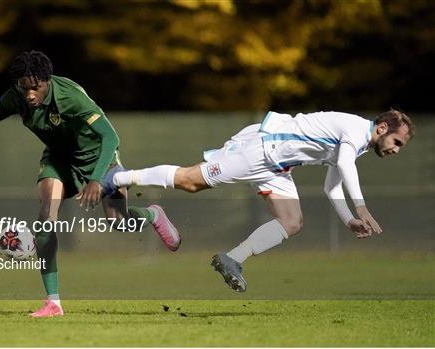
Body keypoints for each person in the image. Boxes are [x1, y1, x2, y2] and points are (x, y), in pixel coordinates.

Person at [0, 50, 181, 317]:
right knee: (46, 217)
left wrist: (94, 180)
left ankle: (152, 215)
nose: (30, 94)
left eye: (36, 88)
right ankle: (53, 302)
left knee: (119, 221)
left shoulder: (70, 96)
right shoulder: (17, 96)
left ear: (48, 81)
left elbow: (110, 138)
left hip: (100, 161)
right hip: (58, 160)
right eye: (24, 89)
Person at [105, 110, 415, 292]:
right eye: (397, 142)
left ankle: (233, 258)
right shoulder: (355, 130)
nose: (396, 150)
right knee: (189, 181)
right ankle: (118, 178)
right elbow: (345, 167)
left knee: (292, 222)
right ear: (382, 128)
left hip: (278, 166)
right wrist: (360, 205)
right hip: (262, 148)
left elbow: (332, 185)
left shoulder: (358, 144)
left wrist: (349, 218)